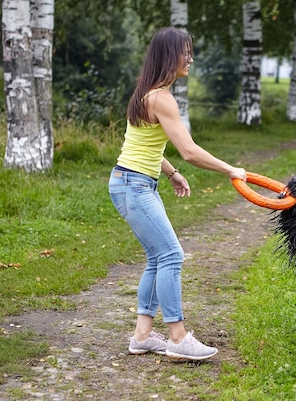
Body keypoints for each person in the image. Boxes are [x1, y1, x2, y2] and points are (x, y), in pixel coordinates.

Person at [108, 27, 246, 361]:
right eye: (186, 52)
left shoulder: (147, 93)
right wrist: (231, 169)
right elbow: (189, 150)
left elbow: (146, 144)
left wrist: (170, 173)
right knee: (172, 255)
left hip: (131, 182)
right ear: (171, 55)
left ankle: (142, 336)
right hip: (134, 185)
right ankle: (178, 337)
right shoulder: (161, 97)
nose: (191, 58)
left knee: (158, 257)